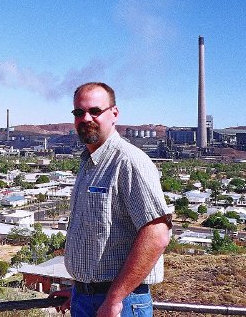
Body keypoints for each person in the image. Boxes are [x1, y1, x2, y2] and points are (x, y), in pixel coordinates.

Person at [54, 82, 171, 317]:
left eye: (95, 111)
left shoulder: (128, 162)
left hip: (121, 305)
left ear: (114, 114)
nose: (86, 118)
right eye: (79, 112)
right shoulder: (88, 163)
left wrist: (114, 299)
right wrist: (81, 289)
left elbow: (157, 234)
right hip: (86, 299)